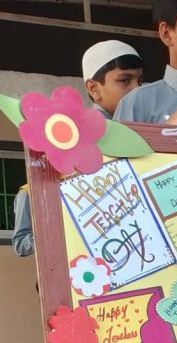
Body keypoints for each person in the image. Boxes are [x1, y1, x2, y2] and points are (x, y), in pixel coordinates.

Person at [12, 39, 143, 257]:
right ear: (93, 88)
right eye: (125, 80)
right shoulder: (64, 153)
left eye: (140, 81)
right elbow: (22, 243)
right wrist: (65, 231)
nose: (136, 89)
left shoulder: (141, 141)